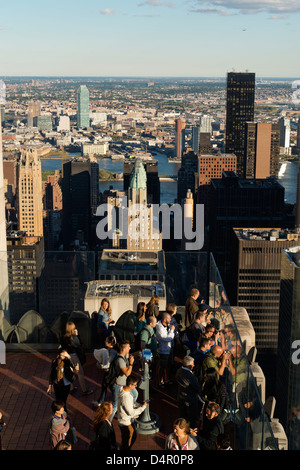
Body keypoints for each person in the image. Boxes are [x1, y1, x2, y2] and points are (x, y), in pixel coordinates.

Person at [60, 321, 93, 396]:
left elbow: (62, 346)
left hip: (66, 356)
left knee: (69, 372)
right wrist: (77, 336)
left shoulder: (63, 337)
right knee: (80, 373)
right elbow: (80, 345)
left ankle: (71, 388)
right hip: (74, 356)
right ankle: (84, 390)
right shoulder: (74, 338)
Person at [117, 375, 148, 451]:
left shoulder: (123, 390)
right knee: (127, 442)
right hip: (125, 423)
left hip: (126, 421)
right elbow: (131, 412)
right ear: (130, 385)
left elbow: (131, 404)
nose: (136, 386)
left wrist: (138, 405)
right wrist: (143, 407)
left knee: (131, 438)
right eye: (135, 385)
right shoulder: (126, 397)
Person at [110, 340, 136, 421]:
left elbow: (131, 355)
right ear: (124, 349)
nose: (130, 348)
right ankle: (108, 422)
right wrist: (131, 363)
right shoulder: (120, 360)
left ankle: (129, 412)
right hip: (118, 385)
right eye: (128, 347)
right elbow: (127, 374)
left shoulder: (125, 356)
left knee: (135, 394)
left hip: (124, 383)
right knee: (115, 405)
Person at [175, 355, 202, 428]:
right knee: (192, 418)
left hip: (181, 397)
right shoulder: (189, 376)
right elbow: (197, 388)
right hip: (190, 400)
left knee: (182, 416)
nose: (194, 365)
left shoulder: (179, 371)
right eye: (192, 364)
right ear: (188, 366)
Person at [92, 336, 118, 407]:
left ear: (110, 343)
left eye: (106, 341)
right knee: (105, 386)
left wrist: (100, 365)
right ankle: (101, 400)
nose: (105, 342)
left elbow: (108, 364)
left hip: (111, 373)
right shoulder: (109, 350)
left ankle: (114, 402)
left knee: (110, 387)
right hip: (109, 372)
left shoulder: (112, 352)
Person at [155, 312, 175, 388]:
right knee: (162, 367)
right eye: (169, 318)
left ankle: (166, 380)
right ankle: (160, 382)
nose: (170, 319)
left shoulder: (168, 325)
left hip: (169, 349)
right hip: (163, 350)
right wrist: (172, 331)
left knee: (168, 366)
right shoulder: (159, 327)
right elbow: (167, 338)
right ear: (165, 319)